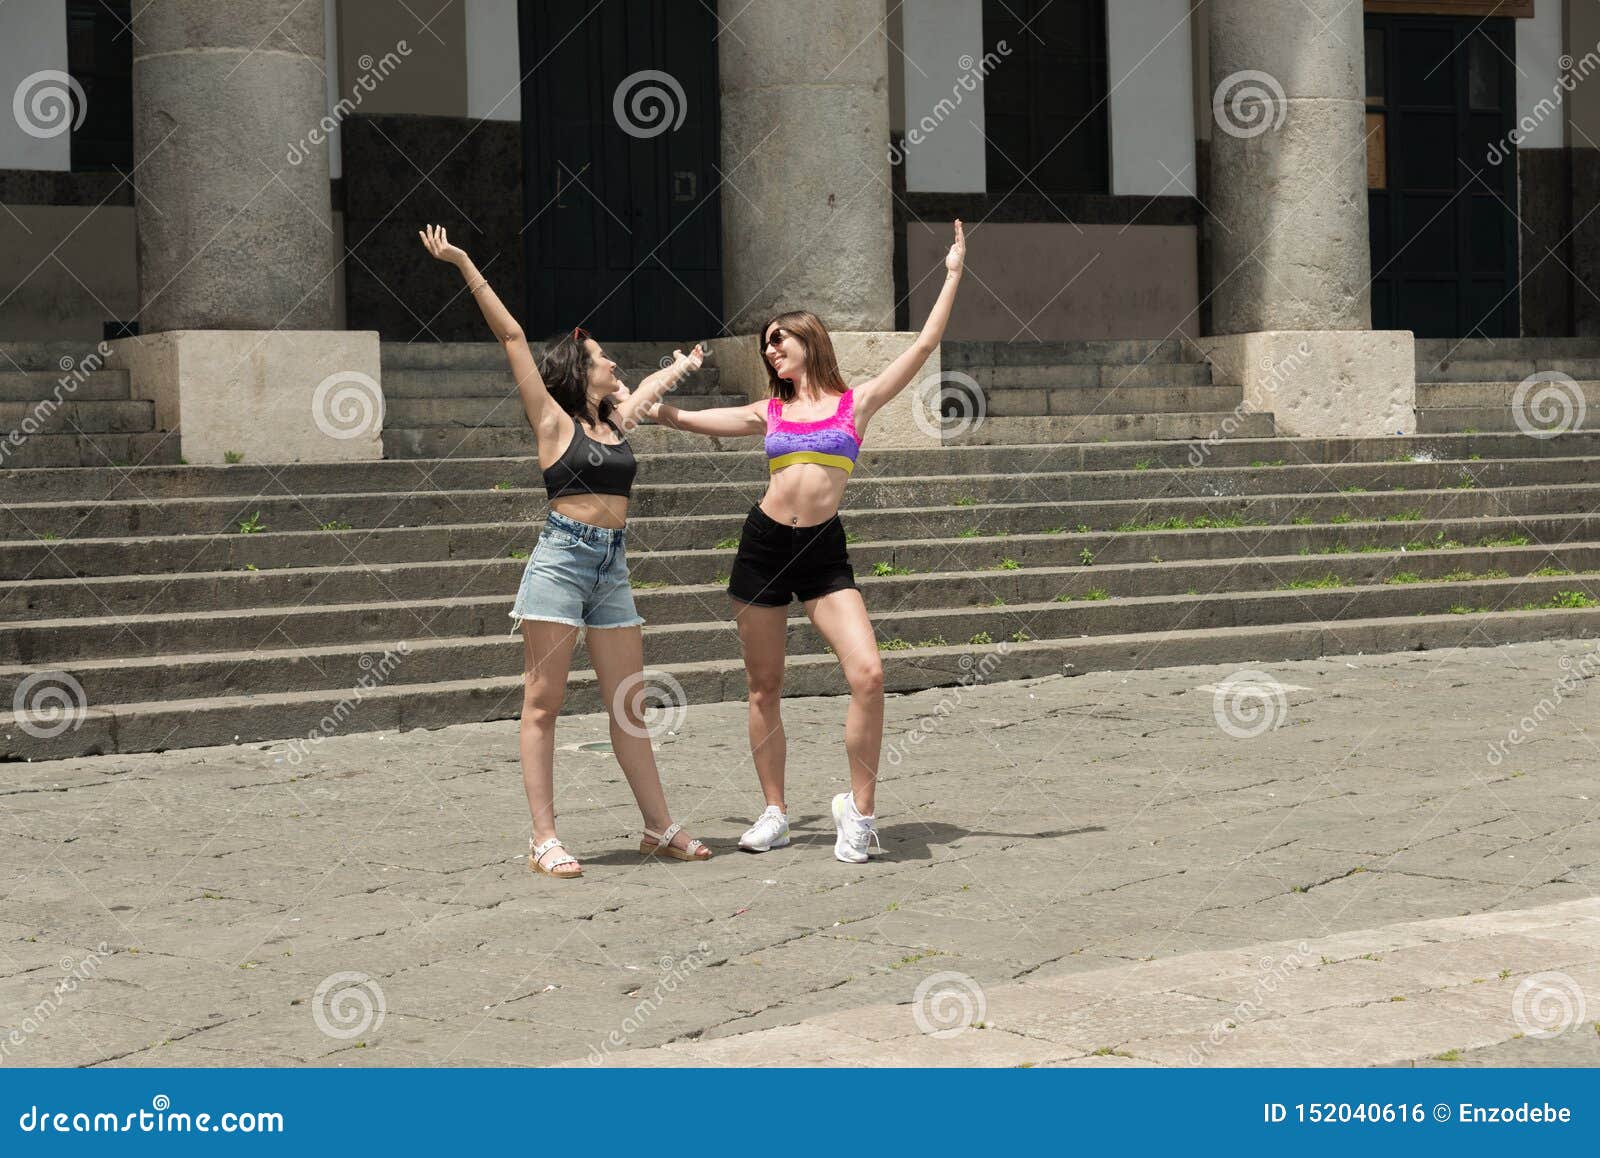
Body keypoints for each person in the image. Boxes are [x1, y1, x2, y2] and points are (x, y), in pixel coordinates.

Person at [648, 221, 967, 863]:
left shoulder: (858, 402)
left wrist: (953, 268)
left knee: (869, 674)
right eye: (766, 345)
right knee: (764, 686)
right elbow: (681, 419)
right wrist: (658, 391)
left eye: (780, 341)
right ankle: (776, 811)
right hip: (763, 546)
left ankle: (860, 811)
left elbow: (928, 341)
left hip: (823, 551)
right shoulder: (768, 413)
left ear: (809, 342)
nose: (771, 352)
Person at [419, 223, 712, 879]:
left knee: (628, 703)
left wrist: (683, 366)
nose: (614, 365)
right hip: (561, 561)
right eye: (605, 359)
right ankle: (544, 838)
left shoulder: (616, 421)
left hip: (611, 566)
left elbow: (650, 391)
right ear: (582, 370)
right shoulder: (551, 421)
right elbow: (512, 337)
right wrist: (464, 261)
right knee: (543, 704)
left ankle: (658, 826)